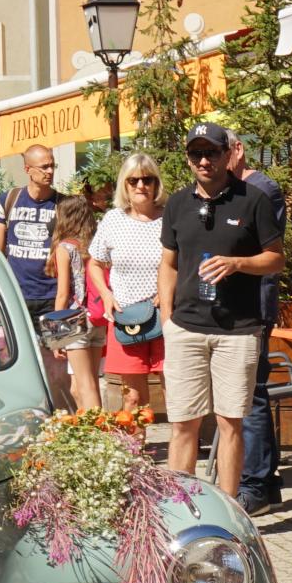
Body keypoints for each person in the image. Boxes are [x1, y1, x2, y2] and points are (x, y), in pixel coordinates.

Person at [160, 121, 285, 484]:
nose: (204, 161)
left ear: (228, 155)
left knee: (231, 424)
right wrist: (167, 318)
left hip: (238, 331)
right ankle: (180, 512)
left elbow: (275, 259)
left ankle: (230, 514)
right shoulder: (178, 204)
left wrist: (237, 264)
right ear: (188, 160)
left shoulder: (254, 200)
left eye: (211, 152)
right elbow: (167, 263)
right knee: (183, 424)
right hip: (185, 329)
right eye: (196, 153)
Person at [229, 131, 289, 513]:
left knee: (250, 395)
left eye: (220, 152)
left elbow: (260, 248)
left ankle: (257, 486)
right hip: (231, 307)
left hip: (253, 306)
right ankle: (264, 482)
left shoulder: (261, 189)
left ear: (238, 150)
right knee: (246, 395)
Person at [88, 153, 167, 418]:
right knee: (132, 398)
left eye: (147, 179)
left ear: (157, 184)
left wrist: (169, 291)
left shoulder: (170, 220)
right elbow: (95, 263)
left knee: (175, 389)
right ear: (125, 185)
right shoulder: (113, 220)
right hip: (127, 317)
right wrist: (106, 295)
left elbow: (185, 263)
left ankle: (184, 452)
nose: (141, 186)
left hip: (165, 315)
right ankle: (137, 453)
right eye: (133, 180)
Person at [0, 145, 63, 320]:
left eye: (52, 166)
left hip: (52, 295)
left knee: (55, 347)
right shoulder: (8, 200)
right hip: (16, 293)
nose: (50, 171)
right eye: (44, 167)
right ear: (27, 169)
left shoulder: (63, 205)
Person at [47, 194, 103, 413]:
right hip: (97, 317)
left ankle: (99, 440)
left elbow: (62, 294)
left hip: (74, 318)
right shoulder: (94, 245)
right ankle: (85, 434)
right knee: (81, 386)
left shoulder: (65, 248)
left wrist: (55, 336)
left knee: (85, 385)